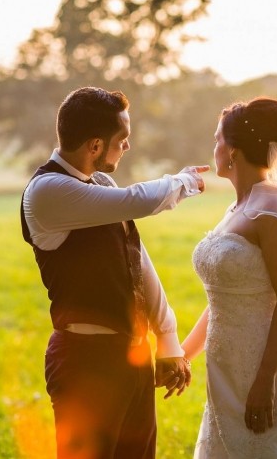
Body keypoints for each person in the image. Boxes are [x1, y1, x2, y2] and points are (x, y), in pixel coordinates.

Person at [20, 87, 209, 459]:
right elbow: (136, 200)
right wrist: (184, 181)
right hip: (86, 361)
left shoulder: (100, 182)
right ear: (94, 146)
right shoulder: (47, 191)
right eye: (122, 140)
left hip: (133, 357)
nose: (126, 147)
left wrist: (167, 338)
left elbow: (137, 263)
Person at [180, 97, 277, 458]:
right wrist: (183, 355)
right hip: (225, 367)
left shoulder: (273, 208)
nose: (214, 147)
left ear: (232, 151)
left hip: (266, 367)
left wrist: (264, 380)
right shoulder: (236, 208)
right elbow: (224, 299)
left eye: (217, 139)